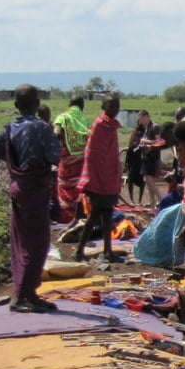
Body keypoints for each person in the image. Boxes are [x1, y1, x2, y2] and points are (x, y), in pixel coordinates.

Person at [0, 84, 62, 312]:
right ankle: (20, 297)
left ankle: (29, 294)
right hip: (36, 188)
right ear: (37, 104)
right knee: (37, 244)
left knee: (21, 242)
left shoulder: (10, 128)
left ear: (16, 105)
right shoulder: (42, 128)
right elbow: (55, 156)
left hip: (19, 187)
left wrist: (12, 160)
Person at [74, 93, 123, 263]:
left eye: (116, 106)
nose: (114, 109)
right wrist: (95, 178)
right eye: (110, 105)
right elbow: (92, 155)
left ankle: (108, 251)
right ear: (103, 107)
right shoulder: (99, 125)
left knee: (108, 214)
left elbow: (111, 156)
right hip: (98, 178)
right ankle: (79, 250)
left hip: (109, 178)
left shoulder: (111, 127)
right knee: (94, 215)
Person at [52, 95, 90, 224]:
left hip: (66, 159)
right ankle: (79, 214)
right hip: (82, 160)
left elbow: (56, 132)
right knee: (79, 187)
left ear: (69, 105)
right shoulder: (84, 120)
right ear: (82, 107)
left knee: (64, 187)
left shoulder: (63, 117)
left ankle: (67, 215)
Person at [137, 110, 165, 206]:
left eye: (141, 119)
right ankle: (152, 202)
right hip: (146, 157)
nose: (141, 122)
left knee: (148, 179)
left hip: (152, 157)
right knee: (147, 180)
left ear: (146, 117)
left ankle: (161, 200)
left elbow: (160, 141)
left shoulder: (154, 127)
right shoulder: (147, 128)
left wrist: (146, 141)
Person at [123, 115, 147, 206]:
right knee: (131, 180)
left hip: (141, 160)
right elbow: (131, 145)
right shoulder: (135, 132)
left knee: (142, 182)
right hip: (133, 159)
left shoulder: (145, 132)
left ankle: (140, 200)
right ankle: (132, 200)